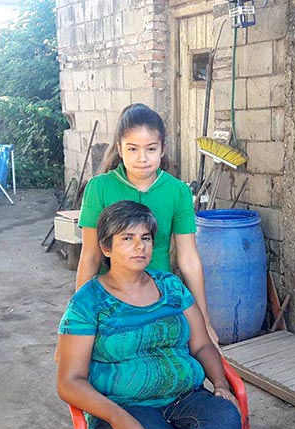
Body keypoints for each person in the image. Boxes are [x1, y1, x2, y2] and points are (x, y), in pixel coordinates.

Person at [57, 201, 241, 429]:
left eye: (145, 238)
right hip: (125, 406)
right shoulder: (88, 302)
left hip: (187, 396)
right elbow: (69, 381)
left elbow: (201, 345)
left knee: (225, 414)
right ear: (106, 248)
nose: (139, 246)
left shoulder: (171, 286)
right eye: (127, 238)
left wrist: (221, 385)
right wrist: (118, 418)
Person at [76, 103, 218, 344]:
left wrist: (204, 320)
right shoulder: (99, 188)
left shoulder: (178, 191)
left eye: (151, 149)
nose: (142, 158)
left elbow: (189, 258)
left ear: (162, 149)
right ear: (119, 149)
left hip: (161, 299)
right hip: (111, 300)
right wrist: (78, 317)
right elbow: (90, 256)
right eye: (132, 149)